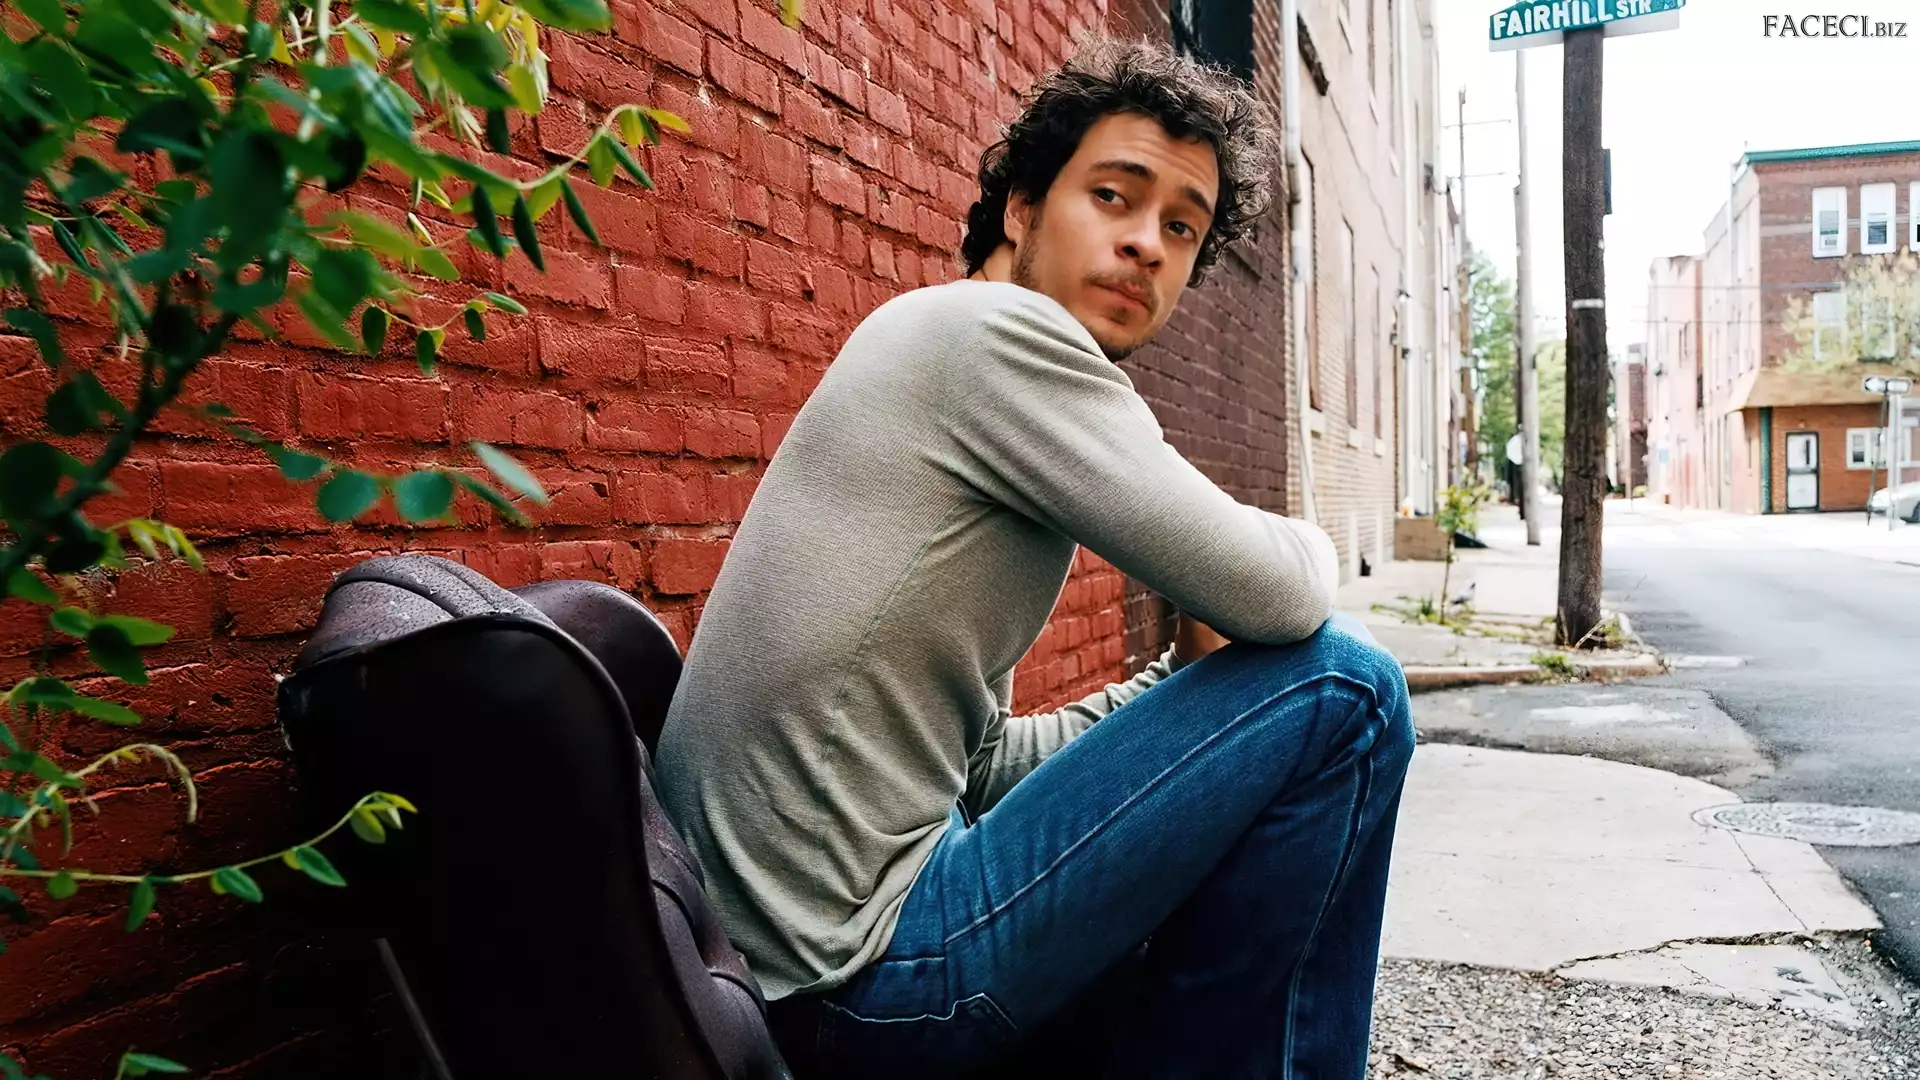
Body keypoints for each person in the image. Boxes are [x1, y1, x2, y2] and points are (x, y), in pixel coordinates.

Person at [655, 37, 1413, 1080]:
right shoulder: (994, 336)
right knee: (1350, 689)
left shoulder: (943, 340)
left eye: (1182, 227)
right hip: (850, 987)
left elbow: (975, 772)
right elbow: (1280, 591)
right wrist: (1310, 543)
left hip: (792, 967)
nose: (1146, 244)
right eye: (1113, 196)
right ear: (1022, 208)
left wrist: (1176, 687)